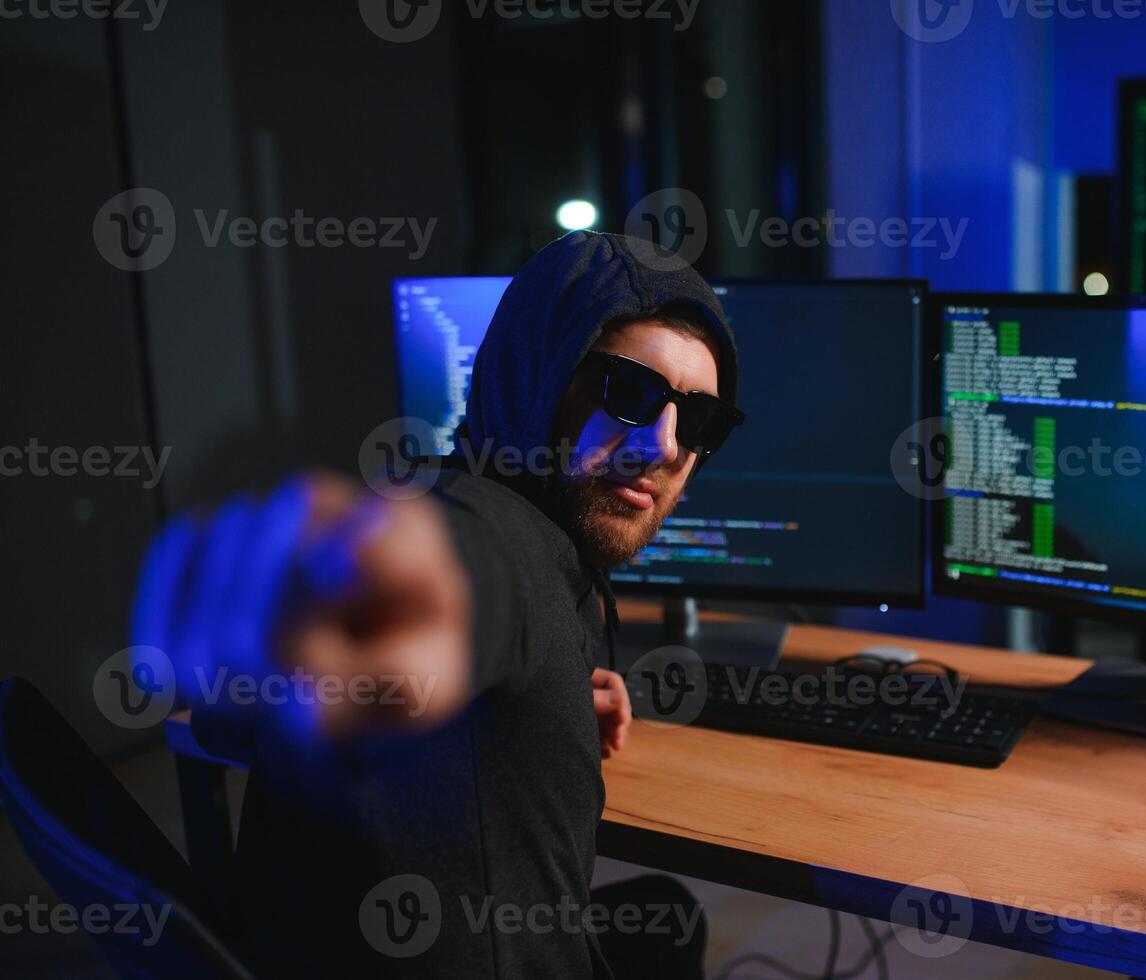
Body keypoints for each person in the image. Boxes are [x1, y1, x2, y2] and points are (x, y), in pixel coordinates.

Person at [130, 231, 744, 977]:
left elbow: (231, 720)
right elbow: (461, 567)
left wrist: (541, 701)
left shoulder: (440, 487)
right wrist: (364, 593)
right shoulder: (491, 534)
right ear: (536, 376)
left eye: (700, 420)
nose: (664, 444)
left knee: (665, 916)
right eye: (628, 392)